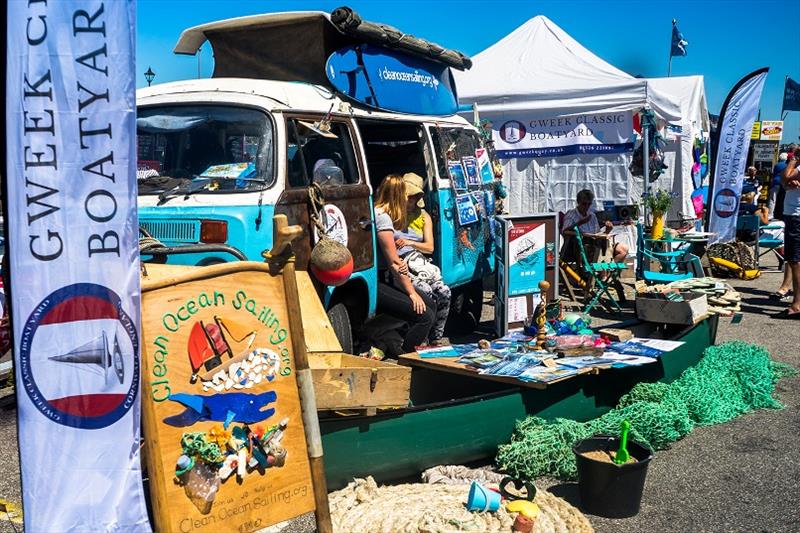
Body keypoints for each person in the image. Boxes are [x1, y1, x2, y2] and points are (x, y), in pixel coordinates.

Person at [372, 174, 436, 350]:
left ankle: (390, 339)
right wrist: (411, 293)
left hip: (385, 277)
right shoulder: (383, 217)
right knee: (425, 316)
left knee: (430, 304)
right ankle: (408, 357)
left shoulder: (377, 212)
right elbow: (394, 263)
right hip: (378, 280)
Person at [394, 172, 451, 346]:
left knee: (444, 292)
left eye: (415, 197)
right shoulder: (392, 214)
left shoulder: (424, 216)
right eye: (409, 197)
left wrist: (410, 243)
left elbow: (430, 247)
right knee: (425, 291)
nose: (410, 201)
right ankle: (420, 336)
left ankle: (436, 336)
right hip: (398, 264)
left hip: (417, 261)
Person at [562, 189, 629, 264]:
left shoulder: (592, 215)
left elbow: (598, 233)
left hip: (597, 243)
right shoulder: (571, 214)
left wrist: (607, 230)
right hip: (582, 246)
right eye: (584, 204)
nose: (587, 206)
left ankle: (608, 271)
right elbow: (565, 231)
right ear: (578, 202)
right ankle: (604, 272)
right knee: (600, 249)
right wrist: (580, 223)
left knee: (623, 249)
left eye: (589, 204)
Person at [773, 151, 800, 318]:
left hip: (797, 215)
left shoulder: (796, 164)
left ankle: (797, 303)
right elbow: (784, 180)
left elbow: (785, 175)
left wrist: (794, 159)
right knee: (793, 258)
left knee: (795, 260)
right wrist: (788, 183)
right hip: (793, 214)